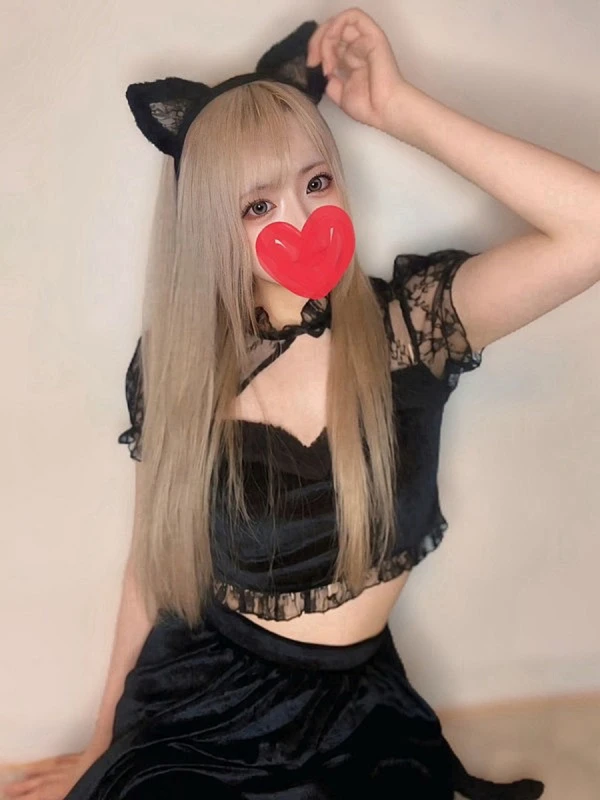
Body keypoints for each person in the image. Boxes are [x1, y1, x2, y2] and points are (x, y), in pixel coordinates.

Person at [7, 7, 600, 799]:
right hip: (205, 704)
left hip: (361, 713)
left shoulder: (412, 327)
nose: (301, 217)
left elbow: (590, 230)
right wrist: (104, 740)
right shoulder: (182, 371)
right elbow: (152, 563)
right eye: (257, 205)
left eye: (316, 182)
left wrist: (400, 110)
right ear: (215, 225)